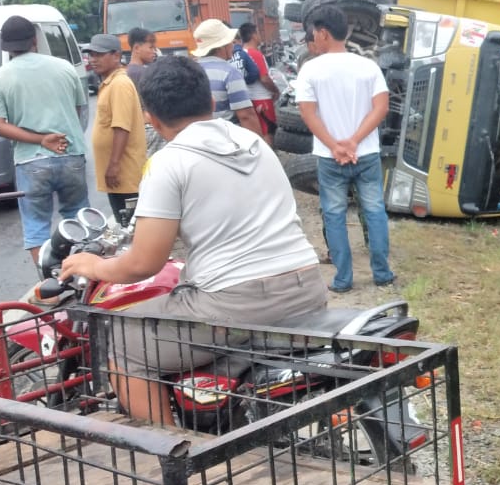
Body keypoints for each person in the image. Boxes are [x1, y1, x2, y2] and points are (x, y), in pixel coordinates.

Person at [58, 56, 328, 425]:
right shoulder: (253, 142)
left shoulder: (171, 162)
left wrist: (94, 264)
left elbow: (144, 263)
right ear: (211, 102)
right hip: (307, 287)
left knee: (120, 341)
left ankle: (173, 456)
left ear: (150, 116)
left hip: (239, 303)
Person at [296, 4, 395, 294]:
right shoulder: (368, 66)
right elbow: (382, 107)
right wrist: (354, 141)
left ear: (323, 33)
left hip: (330, 158)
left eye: (315, 32)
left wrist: (335, 145)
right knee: (375, 210)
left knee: (335, 214)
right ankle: (382, 273)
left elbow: (307, 113)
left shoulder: (310, 70)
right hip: (365, 153)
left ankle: (343, 279)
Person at [0, 15, 90, 266]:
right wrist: (55, 137)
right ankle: (82, 274)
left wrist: (40, 140)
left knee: (36, 225)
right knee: (77, 217)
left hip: (30, 161)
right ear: (34, 39)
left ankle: (50, 286)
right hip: (71, 153)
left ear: (5, 46)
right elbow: (77, 110)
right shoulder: (64, 67)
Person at [83, 34, 146, 220]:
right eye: (91, 55)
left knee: (129, 225)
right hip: (119, 175)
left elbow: (122, 127)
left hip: (124, 174)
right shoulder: (110, 83)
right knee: (123, 222)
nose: (93, 60)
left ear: (116, 56)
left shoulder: (119, 84)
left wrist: (114, 165)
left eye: (99, 55)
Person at [191, 19, 263, 137]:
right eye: (230, 42)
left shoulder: (189, 71)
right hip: (227, 140)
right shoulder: (229, 73)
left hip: (198, 140)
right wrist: (258, 148)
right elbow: (246, 116)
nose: (233, 46)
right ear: (221, 47)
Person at [239, 22, 281, 145]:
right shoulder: (255, 54)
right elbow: (264, 79)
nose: (260, 36)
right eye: (258, 33)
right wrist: (275, 91)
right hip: (262, 99)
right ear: (253, 35)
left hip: (248, 99)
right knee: (268, 131)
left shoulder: (240, 54)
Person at [126, 27, 166, 157]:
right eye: (151, 47)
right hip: (149, 128)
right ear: (137, 48)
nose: (154, 52)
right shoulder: (143, 73)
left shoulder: (127, 71)